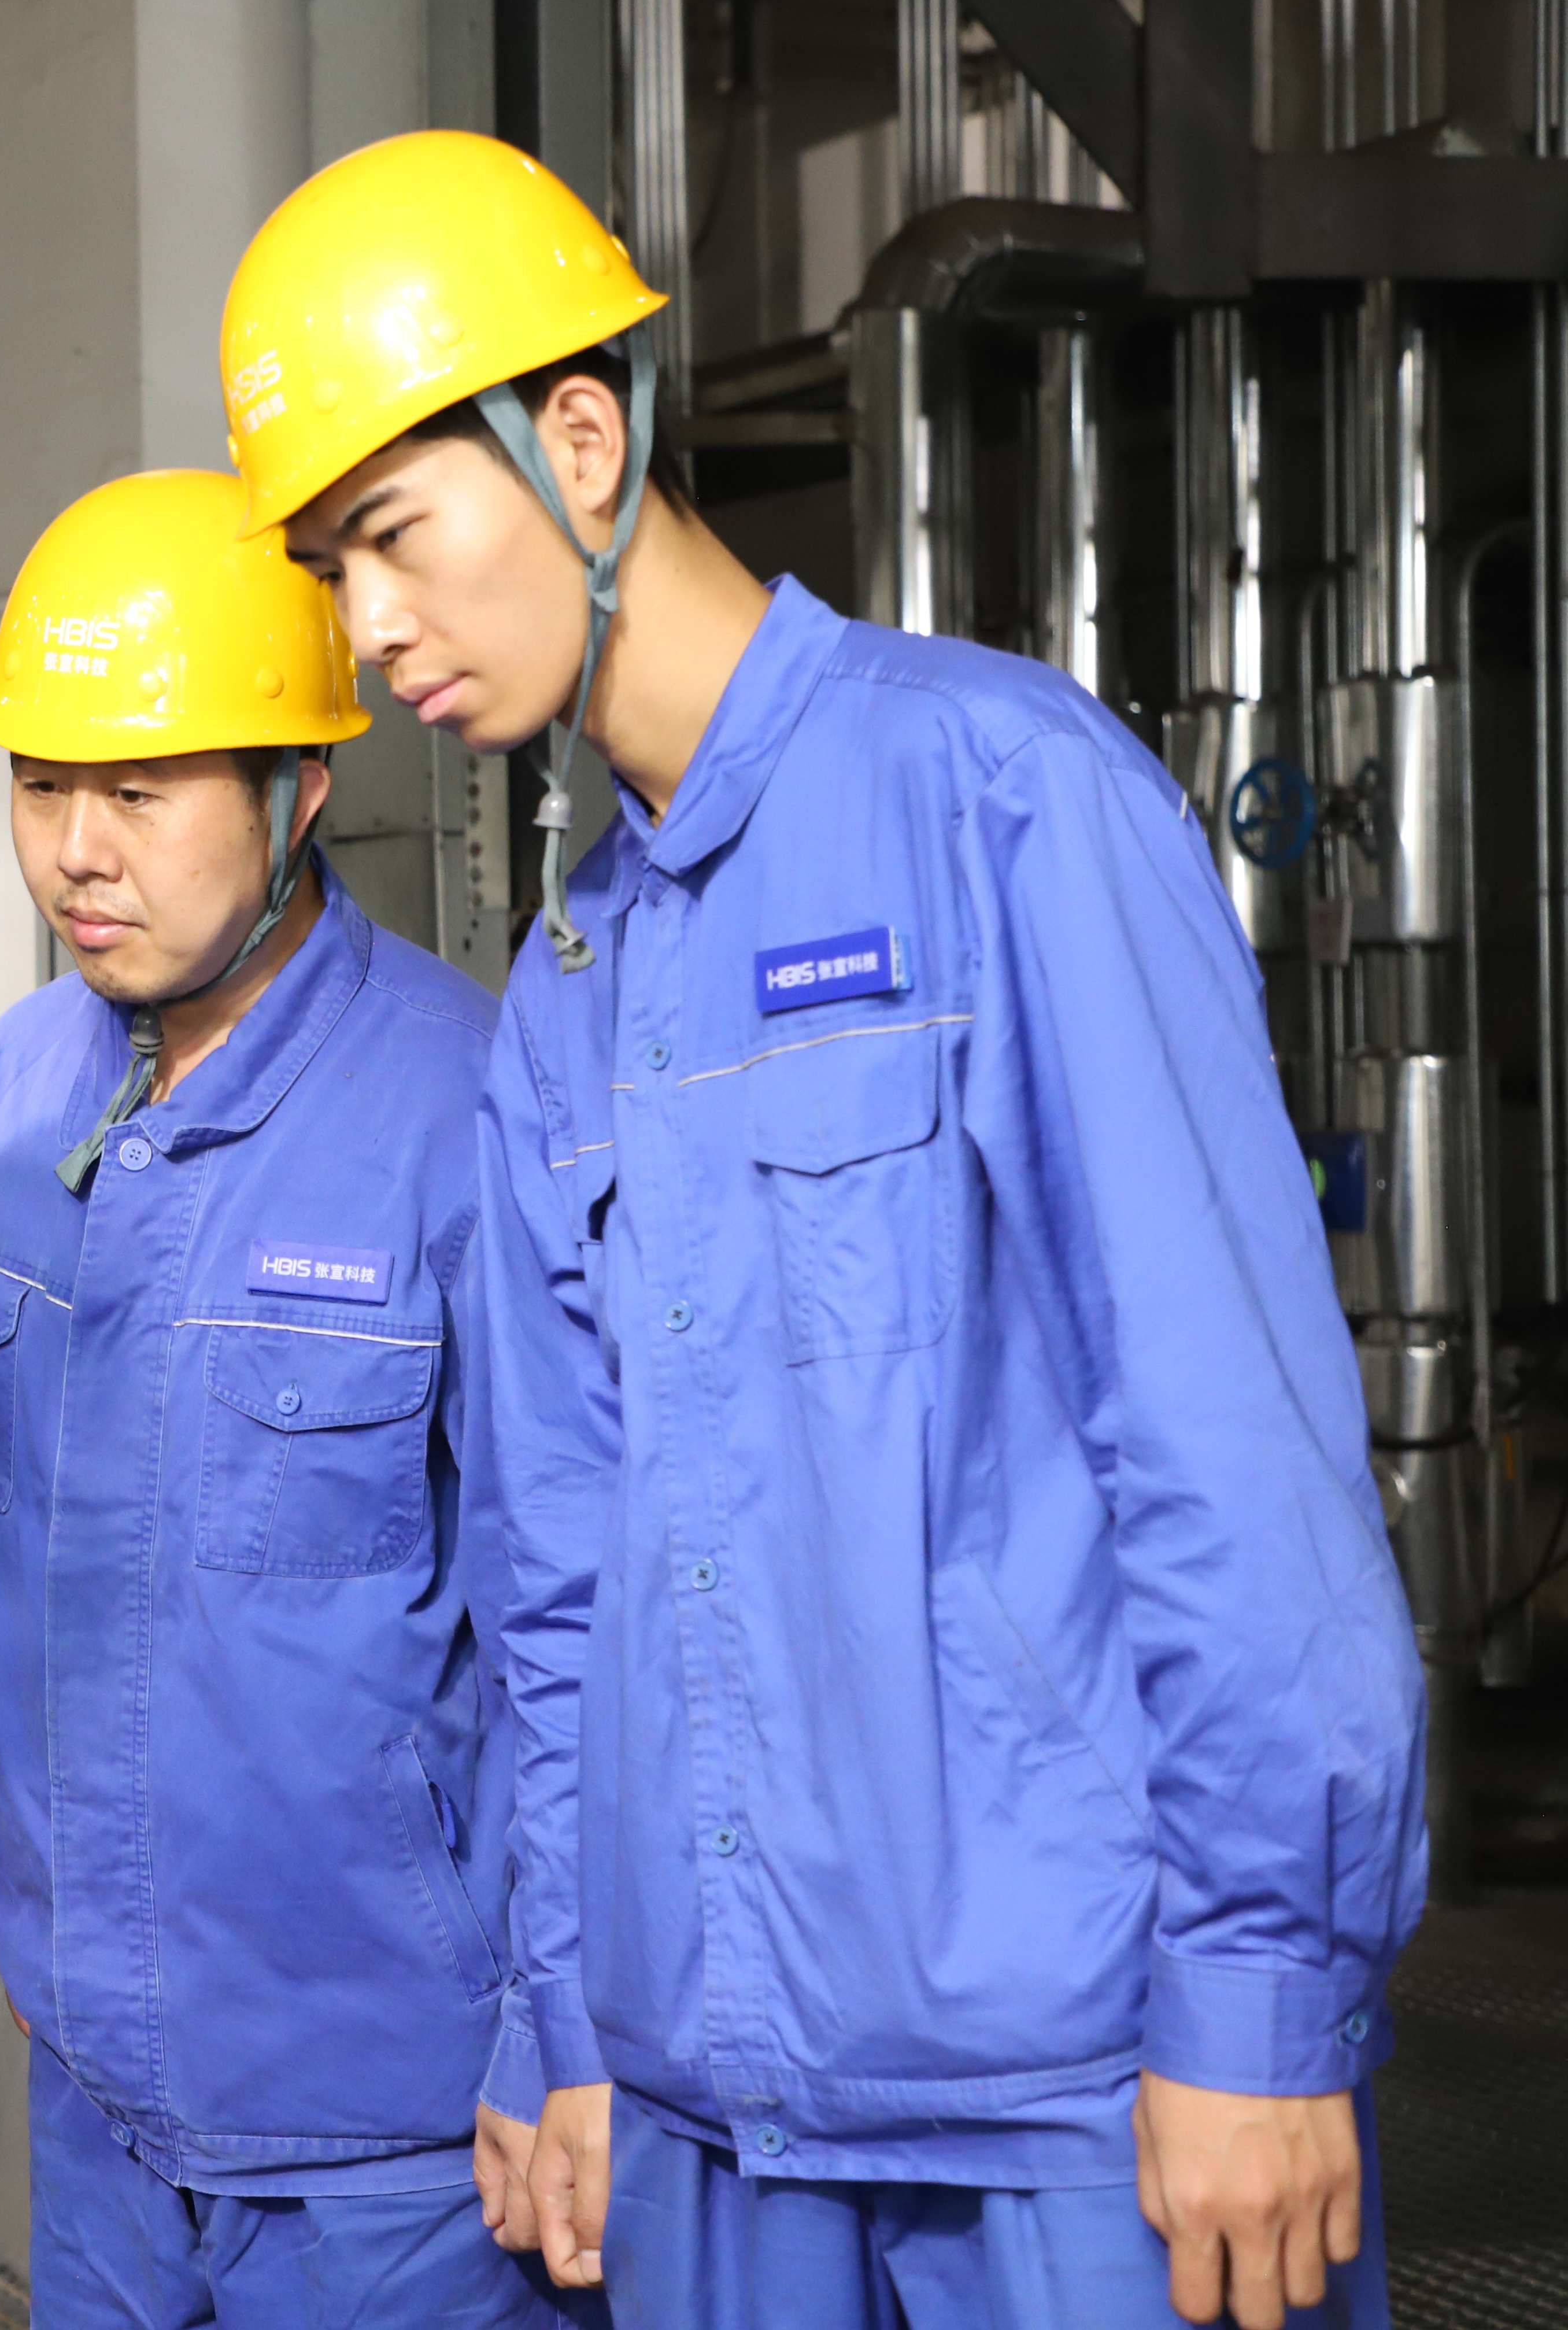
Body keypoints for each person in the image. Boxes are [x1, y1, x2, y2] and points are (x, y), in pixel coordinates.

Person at [221, 128, 1427, 2330]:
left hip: (1071, 2100)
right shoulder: (569, 989)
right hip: (710, 2118)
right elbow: (559, 1581)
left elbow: (1227, 1448)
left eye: (393, 533)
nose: (368, 629)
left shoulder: (1002, 799)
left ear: (583, 442)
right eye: (332, 569)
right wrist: (567, 2018)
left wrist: (1260, 1997)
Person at [0, 467, 590, 2327]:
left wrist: (559, 2034)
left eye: (140, 791)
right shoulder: (8, 1100)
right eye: (41, 785)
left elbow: (574, 1630)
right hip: (96, 2111)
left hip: (402, 2145)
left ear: (300, 789)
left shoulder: (465, 1108)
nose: (77, 853)